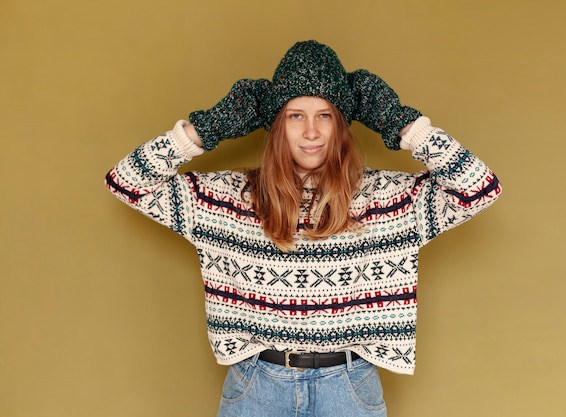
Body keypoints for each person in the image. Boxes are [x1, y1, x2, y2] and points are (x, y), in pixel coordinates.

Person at [105, 40, 501, 417]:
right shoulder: (226, 197)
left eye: (324, 115)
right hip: (255, 386)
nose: (311, 132)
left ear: (341, 125)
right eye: (296, 115)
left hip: (349, 389)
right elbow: (127, 181)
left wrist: (403, 124)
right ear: (277, 125)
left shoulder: (390, 199)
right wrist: (207, 129)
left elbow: (479, 189)